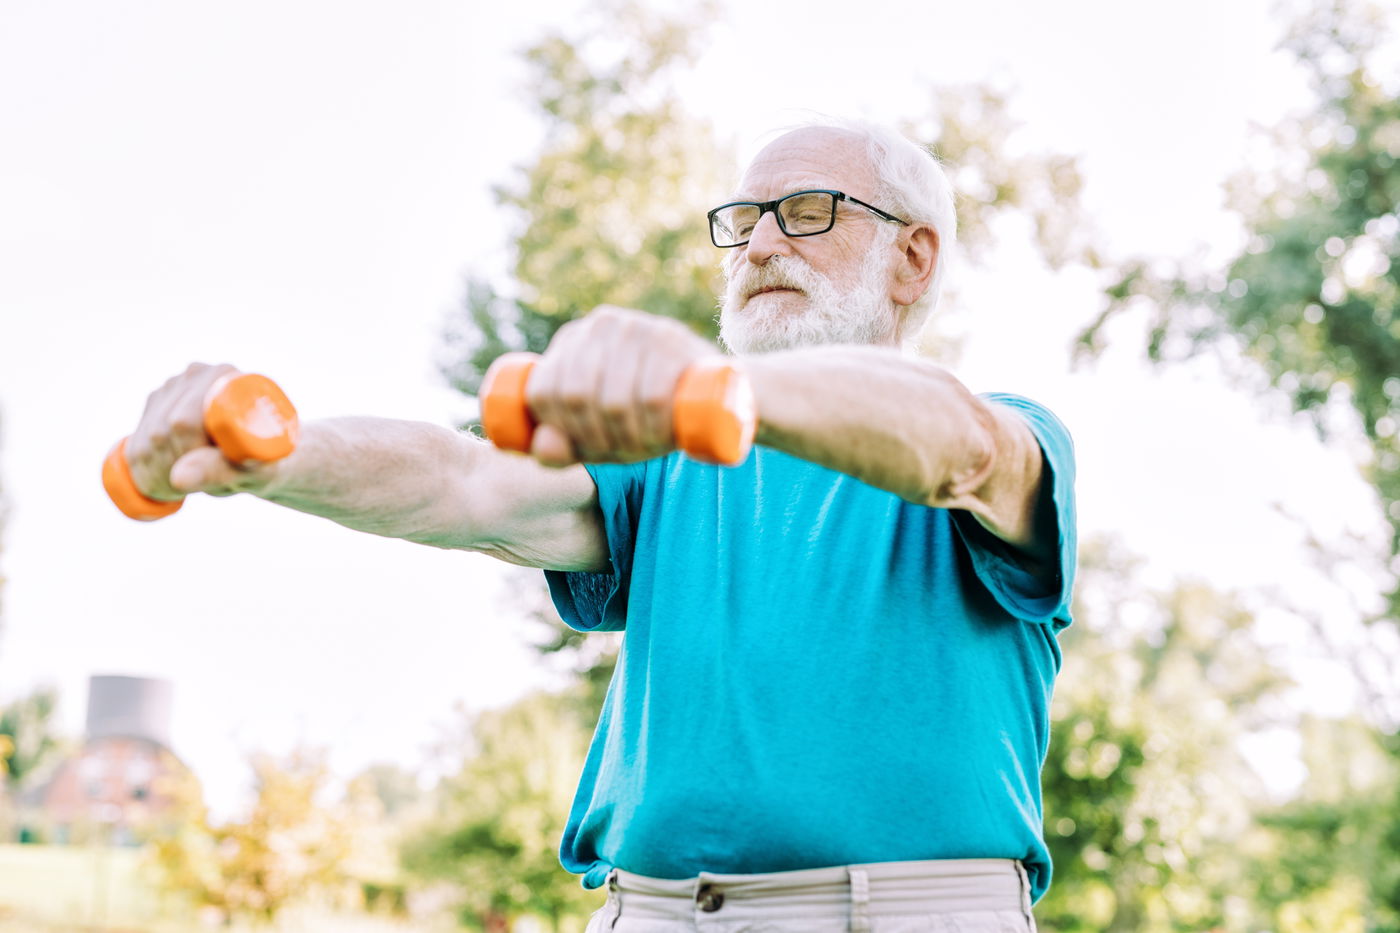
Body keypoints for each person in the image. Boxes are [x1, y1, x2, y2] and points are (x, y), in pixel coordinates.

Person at [124, 119, 1075, 933]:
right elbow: (462, 481)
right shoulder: (672, 462)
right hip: (647, 909)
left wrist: (716, 389)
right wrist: (276, 454)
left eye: (807, 211)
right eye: (742, 221)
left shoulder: (1002, 434)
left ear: (913, 258)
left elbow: (960, 441)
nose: (760, 245)